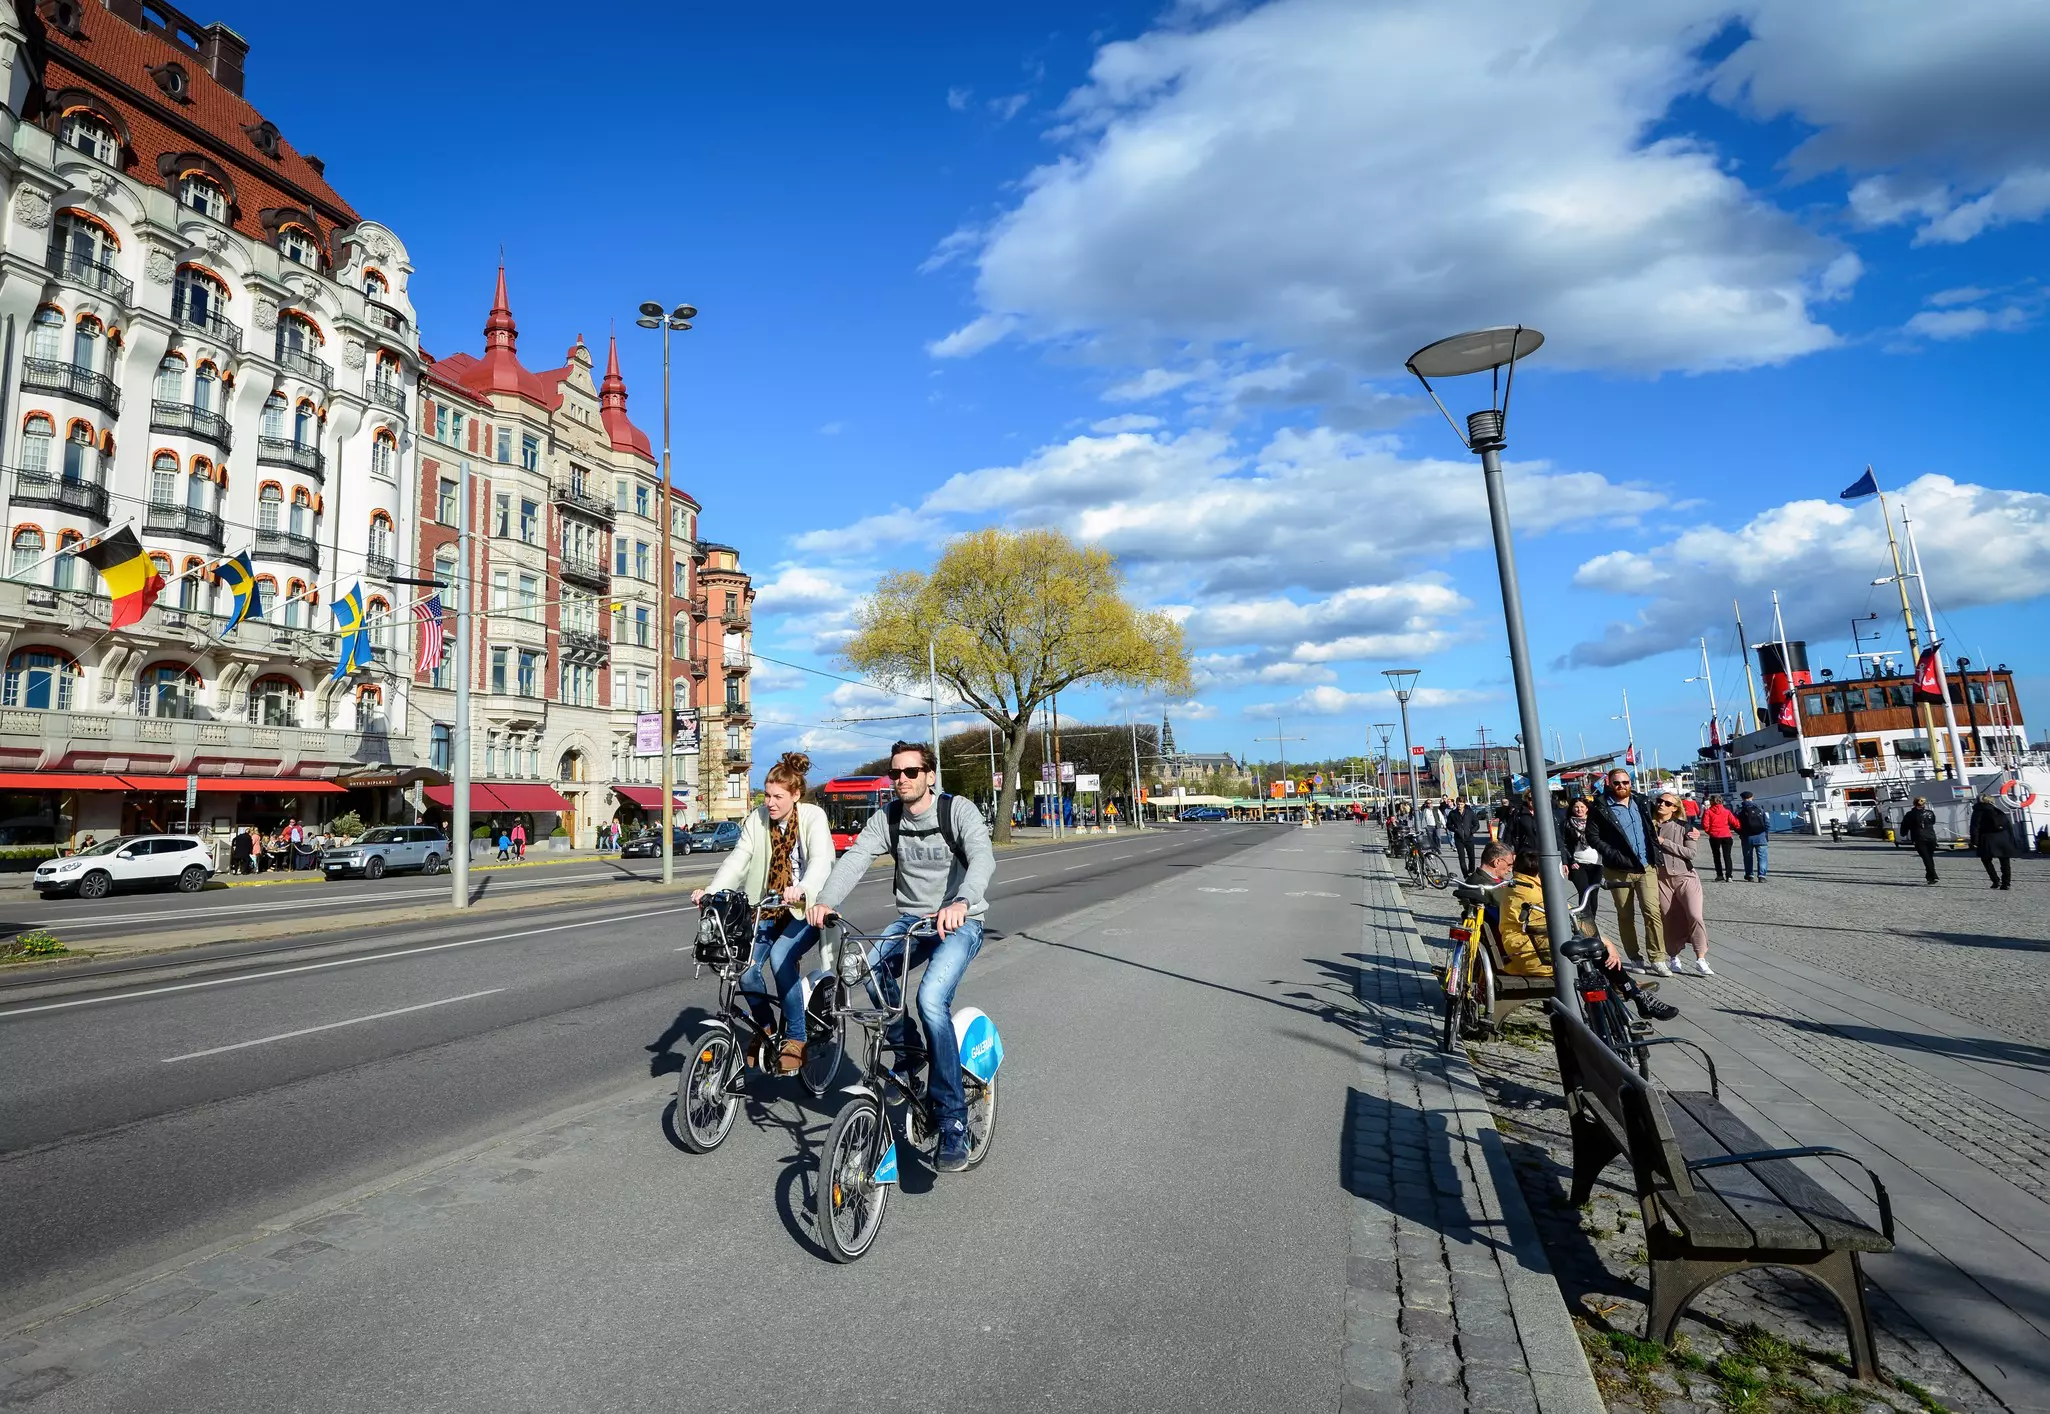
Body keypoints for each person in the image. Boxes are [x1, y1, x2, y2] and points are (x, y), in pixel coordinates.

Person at [810, 740, 995, 1173]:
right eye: (896, 773)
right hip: (913, 921)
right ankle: (909, 1051)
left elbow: (983, 858)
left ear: (930, 775)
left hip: (960, 921)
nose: (902, 780)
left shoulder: (958, 811)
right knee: (868, 969)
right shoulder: (888, 818)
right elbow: (855, 859)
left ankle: (951, 1121)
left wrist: (962, 901)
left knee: (931, 1001)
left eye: (911, 772)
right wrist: (825, 900)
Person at [698, 751, 835, 1073]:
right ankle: (766, 1031)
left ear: (795, 795)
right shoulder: (757, 819)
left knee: (780, 959)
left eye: (778, 796)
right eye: (767, 795)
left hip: (805, 909)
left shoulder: (813, 817)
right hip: (767, 908)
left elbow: (821, 860)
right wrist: (712, 891)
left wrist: (803, 889)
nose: (770, 803)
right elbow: (738, 859)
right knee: (744, 966)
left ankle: (797, 1038)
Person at [1492, 851, 1678, 1021]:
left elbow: (1566, 913)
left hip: (1531, 952)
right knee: (1597, 956)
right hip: (1536, 957)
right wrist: (1605, 942)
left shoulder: (1523, 887)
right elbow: (1564, 920)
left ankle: (1629, 993)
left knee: (1597, 957)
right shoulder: (1530, 894)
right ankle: (1633, 994)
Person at [1586, 768, 1669, 975]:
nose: (1622, 786)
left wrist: (1685, 831)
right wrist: (1612, 854)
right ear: (1609, 784)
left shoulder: (1641, 802)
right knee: (1625, 914)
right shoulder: (1600, 807)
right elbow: (1592, 836)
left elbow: (1664, 817)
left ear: (1630, 783)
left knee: (1652, 911)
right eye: (1617, 783)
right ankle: (1634, 956)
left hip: (1645, 866)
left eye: (1625, 782)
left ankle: (1658, 957)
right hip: (1618, 869)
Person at [1654, 795, 1711, 975]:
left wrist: (1665, 843)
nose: (1662, 804)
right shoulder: (1648, 826)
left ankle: (1701, 958)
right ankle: (1673, 956)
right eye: (1659, 801)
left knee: (1695, 915)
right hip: (1661, 878)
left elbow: (1690, 853)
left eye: (1667, 803)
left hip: (1686, 876)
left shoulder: (1684, 827)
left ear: (1675, 808)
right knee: (1669, 918)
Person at [1558, 798, 1604, 917]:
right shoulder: (1567, 823)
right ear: (1572, 809)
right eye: (1576, 807)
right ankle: (1584, 921)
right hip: (1578, 863)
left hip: (1597, 863)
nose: (1579, 809)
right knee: (1584, 893)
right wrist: (1569, 861)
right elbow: (1563, 844)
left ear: (1587, 808)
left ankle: (1592, 921)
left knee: (1593, 894)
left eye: (1582, 807)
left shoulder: (1595, 822)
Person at [1969, 792, 2017, 890]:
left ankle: (1995, 880)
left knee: (1986, 860)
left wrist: (1975, 842)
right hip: (2003, 838)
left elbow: (1975, 827)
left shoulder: (1978, 811)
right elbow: (2008, 826)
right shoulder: (1997, 811)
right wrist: (2011, 839)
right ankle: (2006, 883)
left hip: (1987, 838)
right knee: (2005, 862)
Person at [1902, 796, 1940, 885]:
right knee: (1929, 857)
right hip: (1931, 837)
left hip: (1919, 838)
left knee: (1926, 858)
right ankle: (1930, 876)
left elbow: (1905, 825)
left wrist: (1903, 833)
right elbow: (1933, 822)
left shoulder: (1910, 814)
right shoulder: (1930, 813)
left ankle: (1932, 875)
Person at [1700, 796, 1739, 882]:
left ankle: (1720, 875)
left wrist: (1709, 832)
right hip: (1726, 835)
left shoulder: (1708, 811)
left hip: (1714, 836)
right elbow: (1734, 822)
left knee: (1716, 856)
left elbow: (1705, 824)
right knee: (1727, 856)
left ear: (1712, 802)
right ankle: (1729, 876)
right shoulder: (1727, 811)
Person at [1736, 791, 1772, 881]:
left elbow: (1735, 824)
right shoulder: (1760, 809)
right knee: (1762, 857)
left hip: (1747, 837)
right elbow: (1767, 823)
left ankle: (1749, 875)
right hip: (1761, 836)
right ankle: (1762, 876)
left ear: (1742, 798)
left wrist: (1741, 833)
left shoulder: (1739, 811)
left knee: (1748, 857)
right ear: (1752, 797)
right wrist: (1765, 834)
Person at [1448, 797, 1480, 877]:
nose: (1459, 806)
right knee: (1461, 857)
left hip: (1469, 837)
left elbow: (1477, 824)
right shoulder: (1452, 813)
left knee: (1471, 857)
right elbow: (1448, 825)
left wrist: (1471, 831)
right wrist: (1455, 829)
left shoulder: (1470, 812)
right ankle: (1465, 875)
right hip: (1458, 838)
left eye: (1461, 804)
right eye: (1458, 804)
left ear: (1464, 804)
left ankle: (1471, 871)